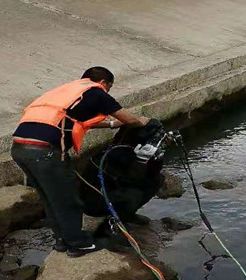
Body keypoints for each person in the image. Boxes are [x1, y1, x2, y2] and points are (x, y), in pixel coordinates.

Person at [12, 67, 152, 256]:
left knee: (50, 198)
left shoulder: (67, 92)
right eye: (109, 87)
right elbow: (129, 119)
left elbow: (79, 121)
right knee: (67, 198)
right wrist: (140, 121)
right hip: (45, 152)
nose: (107, 91)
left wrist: (112, 124)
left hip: (20, 148)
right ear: (104, 83)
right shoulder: (96, 91)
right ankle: (78, 243)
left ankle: (62, 240)